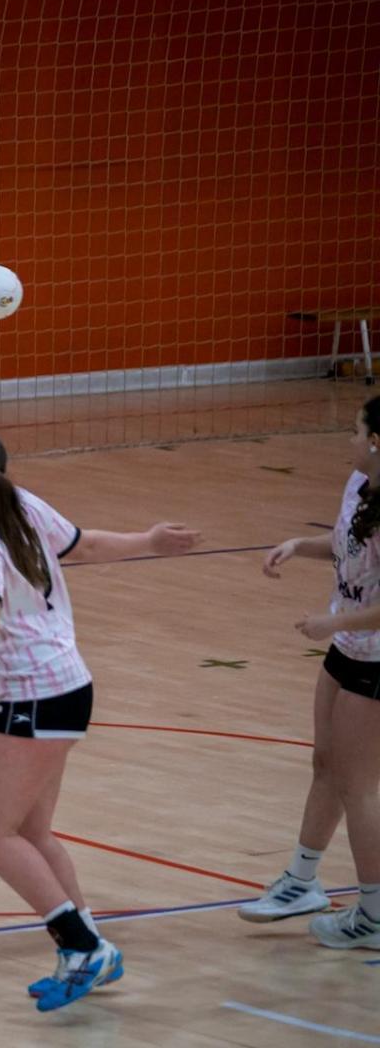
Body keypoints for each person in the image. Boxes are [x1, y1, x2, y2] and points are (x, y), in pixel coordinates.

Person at [0, 429, 198, 1010]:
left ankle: (81, 946)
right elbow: (85, 546)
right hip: (66, 685)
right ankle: (93, 948)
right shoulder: (18, 504)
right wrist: (148, 539)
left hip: (34, 695)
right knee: (32, 833)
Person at [250, 395, 380, 950]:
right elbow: (345, 546)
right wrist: (297, 545)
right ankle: (302, 882)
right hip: (347, 644)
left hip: (374, 655)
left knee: (361, 786)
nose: (349, 440)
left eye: (356, 431)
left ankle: (374, 915)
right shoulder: (358, 484)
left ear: (377, 441)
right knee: (324, 763)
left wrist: (332, 622)